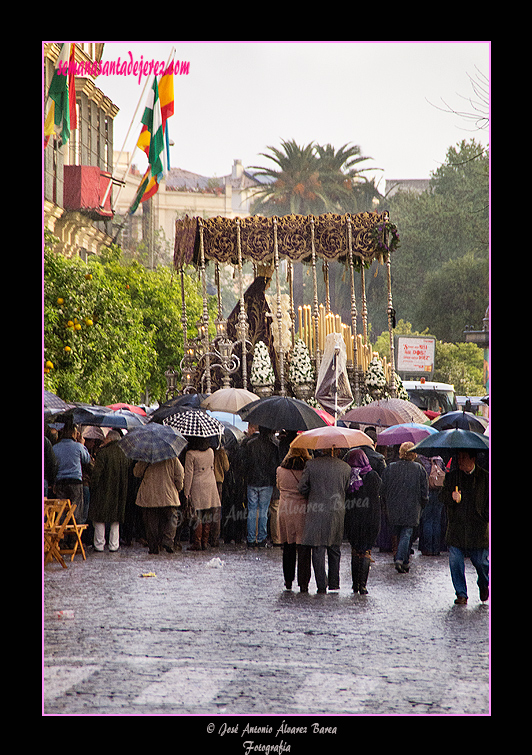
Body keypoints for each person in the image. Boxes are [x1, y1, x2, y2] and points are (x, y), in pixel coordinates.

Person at [298, 448, 351, 593]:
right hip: (337, 511)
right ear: (336, 450)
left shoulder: (311, 464)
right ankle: (334, 582)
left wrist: (313, 493)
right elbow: (346, 488)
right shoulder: (345, 467)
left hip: (317, 510)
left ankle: (322, 584)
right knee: (335, 547)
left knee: (318, 547)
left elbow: (302, 487)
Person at [440, 450, 489, 604]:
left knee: (481, 563)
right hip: (457, 527)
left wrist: (486, 518)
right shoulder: (453, 476)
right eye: (458, 457)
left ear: (473, 459)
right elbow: (442, 496)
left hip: (477, 528)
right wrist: (451, 497)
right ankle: (461, 594)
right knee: (455, 562)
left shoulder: (485, 477)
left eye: (464, 458)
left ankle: (484, 583)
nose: (460, 461)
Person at [381, 442, 428, 573]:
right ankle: (400, 559)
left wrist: (386, 504)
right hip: (412, 508)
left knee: (400, 534)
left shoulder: (391, 467)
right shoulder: (419, 469)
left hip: (393, 507)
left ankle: (405, 562)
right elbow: (424, 492)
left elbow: (383, 488)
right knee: (407, 533)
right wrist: (423, 504)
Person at [344, 448, 382, 594]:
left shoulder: (349, 476)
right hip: (370, 519)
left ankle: (355, 584)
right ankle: (363, 585)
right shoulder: (373, 476)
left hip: (353, 518)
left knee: (355, 550)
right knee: (365, 551)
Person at [277, 447, 312, 592]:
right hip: (301, 510)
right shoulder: (307, 469)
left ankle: (288, 580)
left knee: (288, 546)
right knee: (303, 548)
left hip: (285, 509)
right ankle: (303, 582)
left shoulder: (280, 470)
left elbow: (278, 486)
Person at [88, 430, 130, 552]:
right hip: (119, 492)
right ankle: (114, 545)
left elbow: (97, 474)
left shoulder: (103, 453)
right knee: (115, 520)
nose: (104, 441)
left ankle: (99, 545)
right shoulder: (125, 454)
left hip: (103, 491)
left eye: (106, 439)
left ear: (110, 439)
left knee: (100, 518)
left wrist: (93, 486)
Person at [134, 454, 184, 554]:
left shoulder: (146, 457)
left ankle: (153, 547)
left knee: (151, 522)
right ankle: (168, 540)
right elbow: (180, 474)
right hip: (168, 493)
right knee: (173, 517)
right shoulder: (172, 457)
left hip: (149, 494)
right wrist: (179, 487)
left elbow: (136, 473)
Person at [242, 426, 279, 547]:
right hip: (266, 482)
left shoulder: (250, 444)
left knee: (252, 510)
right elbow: (274, 466)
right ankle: (262, 538)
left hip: (252, 481)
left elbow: (246, 463)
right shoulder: (273, 446)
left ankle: (251, 538)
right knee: (263, 510)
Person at [183, 437, 221, 551]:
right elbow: (212, 468)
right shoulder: (210, 451)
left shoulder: (190, 454)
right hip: (210, 484)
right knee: (208, 513)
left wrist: (186, 492)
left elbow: (188, 474)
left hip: (197, 485)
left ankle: (197, 542)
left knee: (198, 514)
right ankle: (205, 541)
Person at [52, 422, 92, 519]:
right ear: (73, 434)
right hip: (75, 481)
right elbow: (86, 459)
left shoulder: (55, 447)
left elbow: (53, 465)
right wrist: (82, 444)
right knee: (76, 510)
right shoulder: (78, 447)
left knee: (61, 509)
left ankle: (61, 530)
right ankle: (75, 531)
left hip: (60, 481)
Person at [417, 453, 447, 556]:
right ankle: (436, 548)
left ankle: (428, 548)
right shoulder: (439, 459)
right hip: (439, 491)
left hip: (427, 491)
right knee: (437, 521)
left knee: (427, 520)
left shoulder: (420, 459)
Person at [210, 445, 230, 547]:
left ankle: (203, 538)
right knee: (216, 510)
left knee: (204, 510)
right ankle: (215, 538)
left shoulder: (207, 450)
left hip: (206, 482)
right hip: (218, 482)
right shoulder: (220, 452)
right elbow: (226, 467)